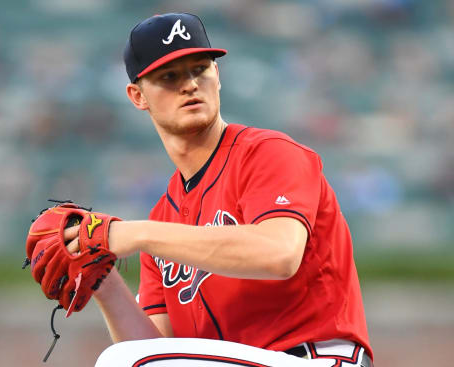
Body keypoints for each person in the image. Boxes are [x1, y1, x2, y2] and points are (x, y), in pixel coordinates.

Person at [65, 12, 373, 366]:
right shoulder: (163, 216)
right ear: (138, 96)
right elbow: (156, 350)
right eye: (169, 77)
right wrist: (103, 280)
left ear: (218, 76)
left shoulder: (269, 153)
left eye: (200, 69)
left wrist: (135, 234)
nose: (190, 84)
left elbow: (280, 254)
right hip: (244, 361)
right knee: (126, 358)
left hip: (313, 359)